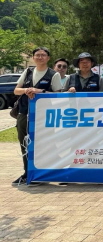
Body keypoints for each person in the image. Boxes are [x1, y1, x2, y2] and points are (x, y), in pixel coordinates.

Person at [12, 47, 63, 186]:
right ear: (33, 57)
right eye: (37, 55)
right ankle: (27, 173)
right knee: (24, 143)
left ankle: (42, 173)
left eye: (43, 55)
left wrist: (40, 91)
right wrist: (27, 90)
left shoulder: (54, 74)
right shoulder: (28, 71)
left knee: (43, 144)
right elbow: (16, 90)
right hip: (24, 113)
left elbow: (58, 95)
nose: (40, 57)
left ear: (48, 58)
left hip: (43, 115)